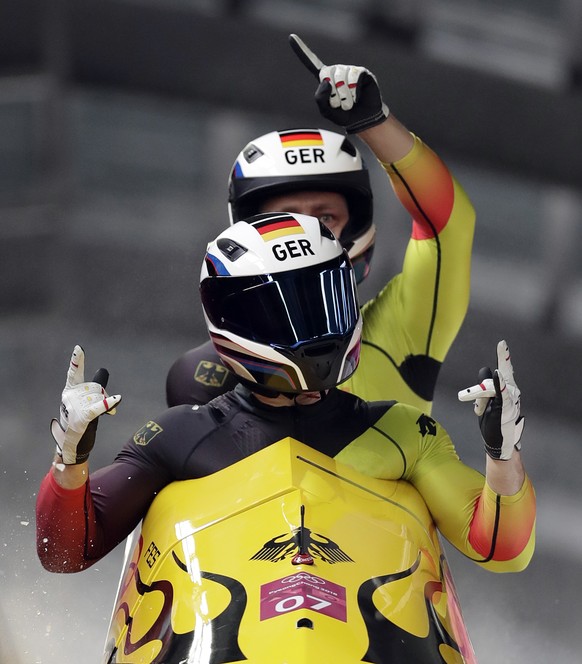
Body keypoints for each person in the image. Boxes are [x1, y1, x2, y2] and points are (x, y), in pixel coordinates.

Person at [37, 213, 534, 579]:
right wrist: (71, 461)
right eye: (287, 313)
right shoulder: (175, 439)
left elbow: (501, 549)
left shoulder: (409, 432)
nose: (316, 331)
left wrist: (502, 457)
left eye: (324, 300)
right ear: (230, 322)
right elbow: (63, 552)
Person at [166, 34, 476, 411]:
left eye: (325, 217)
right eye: (286, 216)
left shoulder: (405, 326)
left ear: (357, 225)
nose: (305, 233)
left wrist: (375, 123)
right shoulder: (198, 376)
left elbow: (450, 223)